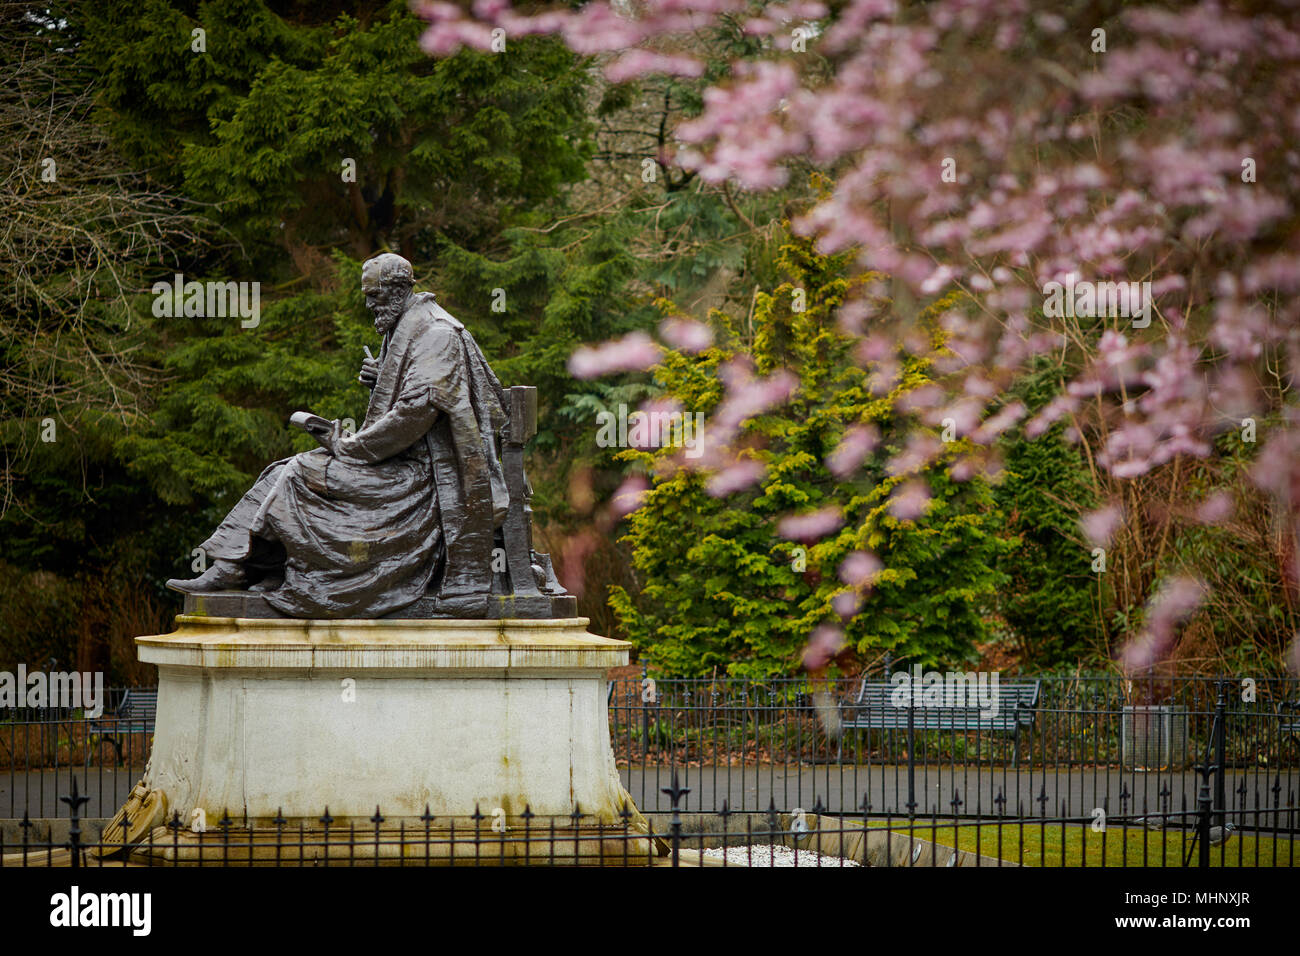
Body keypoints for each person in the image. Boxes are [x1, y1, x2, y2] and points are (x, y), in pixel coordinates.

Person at [166, 253, 509, 618]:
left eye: (374, 295)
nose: (368, 304)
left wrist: (348, 446)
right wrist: (383, 378)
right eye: (367, 295)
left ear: (398, 291)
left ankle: (264, 570)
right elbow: (415, 397)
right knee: (280, 470)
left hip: (425, 481)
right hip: (398, 463)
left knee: (300, 472)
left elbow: (413, 417)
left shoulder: (437, 335)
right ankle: (234, 566)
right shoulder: (408, 325)